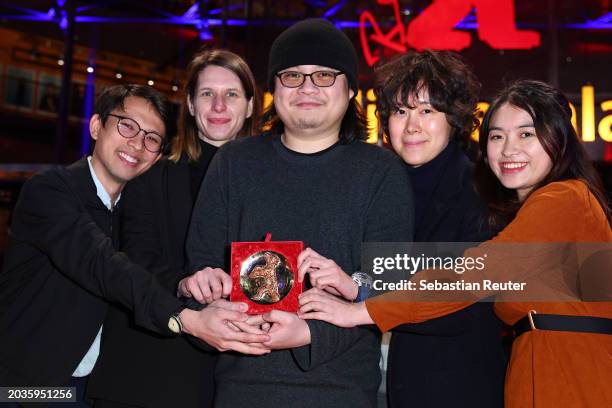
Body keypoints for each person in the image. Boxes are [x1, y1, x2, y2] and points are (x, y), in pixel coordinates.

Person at [299, 80, 612, 408]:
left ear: (559, 138)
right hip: (536, 376)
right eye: (496, 136)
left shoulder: (565, 198)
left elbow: (473, 274)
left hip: (574, 380)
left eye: (526, 134)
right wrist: (359, 291)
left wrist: (359, 311)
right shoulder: (525, 213)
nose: (508, 149)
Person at [181, 18, 413, 408]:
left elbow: (390, 290)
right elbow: (200, 262)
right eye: (292, 76)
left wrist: (310, 334)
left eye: (324, 75)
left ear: (350, 89)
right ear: (273, 89)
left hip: (340, 392)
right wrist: (201, 287)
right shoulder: (234, 163)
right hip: (240, 388)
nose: (307, 88)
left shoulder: (381, 172)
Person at [0, 84, 268, 406]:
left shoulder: (132, 212)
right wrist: (186, 319)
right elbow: (102, 264)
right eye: (127, 126)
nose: (137, 144)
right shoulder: (50, 192)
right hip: (24, 386)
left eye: (151, 138)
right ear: (97, 126)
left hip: (86, 387)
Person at [87, 49, 262, 408]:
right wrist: (183, 284)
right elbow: (133, 261)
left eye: (231, 94)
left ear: (249, 106)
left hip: (235, 379)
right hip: (151, 374)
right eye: (206, 94)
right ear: (191, 105)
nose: (218, 106)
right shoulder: (151, 174)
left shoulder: (271, 184)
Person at [368, 50, 505, 407]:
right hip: (402, 385)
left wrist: (361, 294)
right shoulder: (383, 187)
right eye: (401, 112)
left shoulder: (482, 190)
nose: (412, 125)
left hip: (464, 387)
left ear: (455, 119)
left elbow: (463, 299)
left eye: (427, 111)